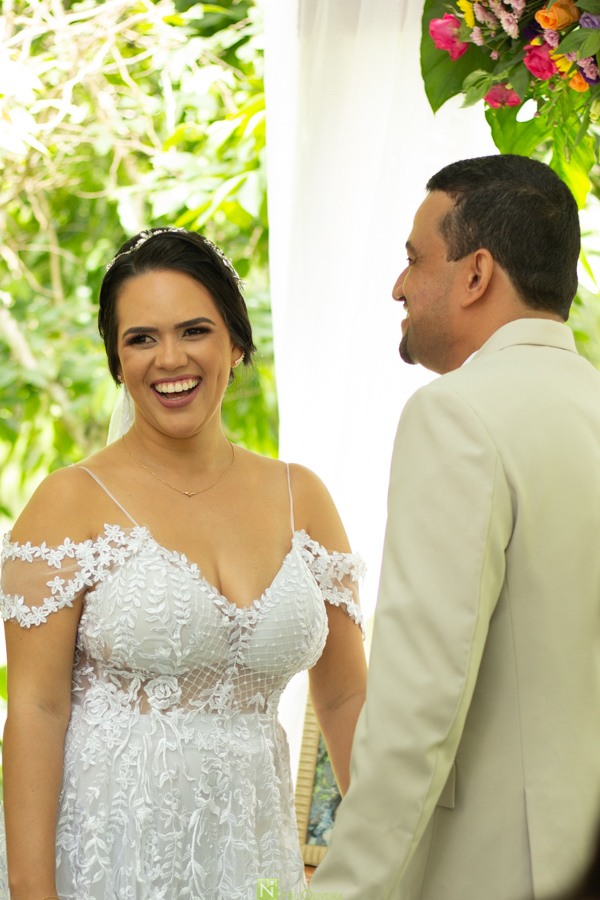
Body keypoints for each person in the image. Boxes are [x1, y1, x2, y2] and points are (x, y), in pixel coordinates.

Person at [0, 227, 367, 900]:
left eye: (194, 330)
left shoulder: (303, 497)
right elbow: (35, 709)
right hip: (109, 862)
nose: (170, 359)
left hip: (255, 858)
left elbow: (346, 696)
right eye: (141, 338)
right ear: (117, 361)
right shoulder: (69, 502)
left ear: (236, 343)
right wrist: (31, 892)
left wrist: (390, 849)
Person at [309, 154, 600, 900]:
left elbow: (418, 707)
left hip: (500, 867)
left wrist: (343, 890)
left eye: (414, 259)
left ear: (476, 275)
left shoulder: (457, 415)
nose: (398, 287)